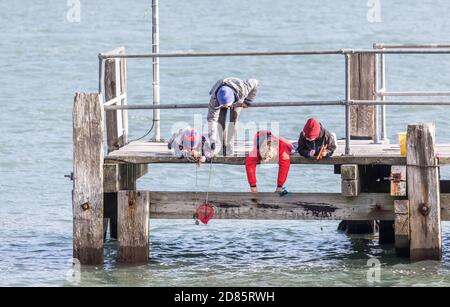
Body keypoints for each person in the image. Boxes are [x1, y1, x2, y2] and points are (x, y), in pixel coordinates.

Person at [207, 77, 259, 156]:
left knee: (233, 120)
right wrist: (212, 141)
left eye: (227, 106)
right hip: (220, 92)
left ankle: (230, 146)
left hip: (238, 96)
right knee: (220, 121)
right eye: (223, 106)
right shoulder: (215, 100)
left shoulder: (243, 88)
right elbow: (211, 120)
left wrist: (248, 101)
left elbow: (255, 82)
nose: (226, 107)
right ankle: (223, 146)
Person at [245, 130, 293, 194]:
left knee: (290, 147)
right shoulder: (255, 151)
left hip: (279, 141)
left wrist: (280, 185)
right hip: (260, 136)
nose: (267, 161)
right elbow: (249, 165)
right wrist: (253, 185)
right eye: (264, 158)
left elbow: (285, 166)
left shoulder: (282, 148)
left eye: (269, 158)